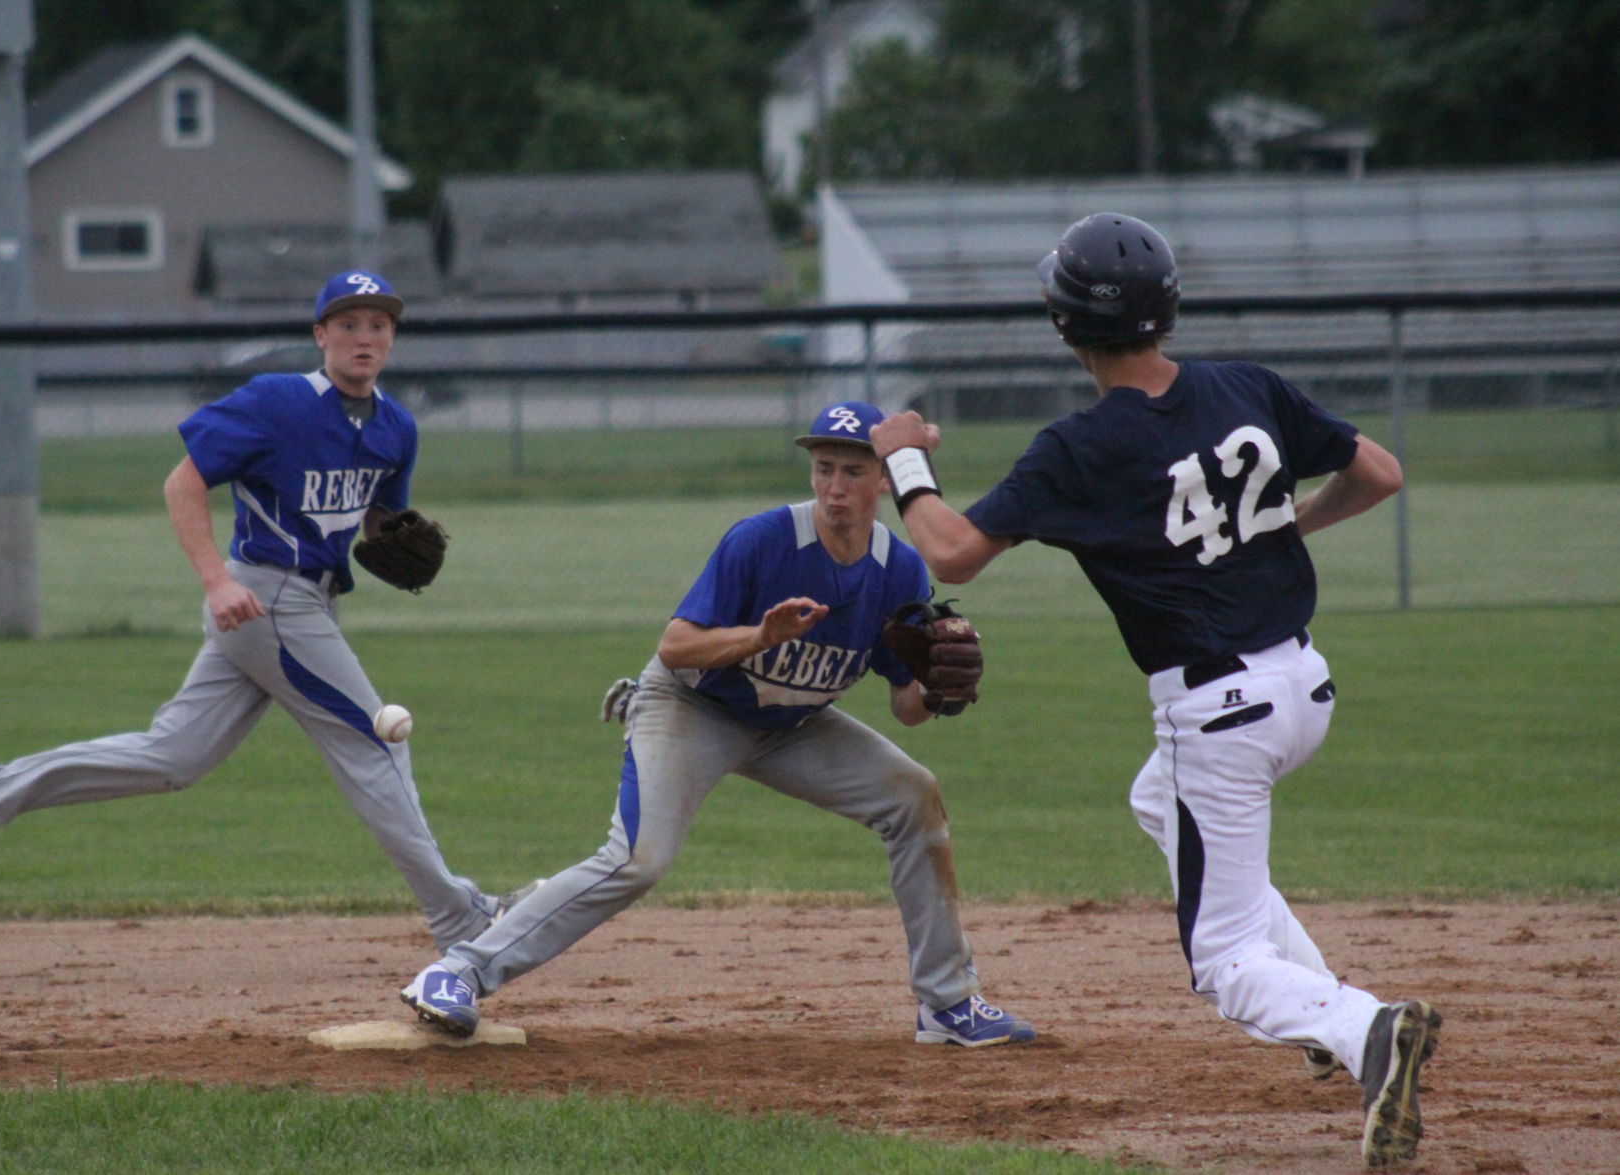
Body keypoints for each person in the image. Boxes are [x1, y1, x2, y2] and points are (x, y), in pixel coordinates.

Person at [868, 213, 1440, 1167]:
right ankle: (1321, 1017)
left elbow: (950, 551)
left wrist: (902, 456)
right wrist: (1285, 527)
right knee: (1155, 801)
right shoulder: (1244, 385)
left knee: (1219, 964)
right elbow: (1377, 473)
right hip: (1302, 683)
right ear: (1165, 309)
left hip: (1216, 714)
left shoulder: (1081, 447)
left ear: (1063, 323)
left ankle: (1362, 1028)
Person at [400, 402, 1035, 1048]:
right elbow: (675, 646)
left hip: (793, 722)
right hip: (691, 707)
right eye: (822, 469)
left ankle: (948, 1002)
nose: (835, 486)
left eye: (851, 470)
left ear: (883, 481)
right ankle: (459, 970)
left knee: (911, 792)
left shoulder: (898, 568)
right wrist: (761, 633)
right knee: (638, 859)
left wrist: (938, 690)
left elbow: (906, 704)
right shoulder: (761, 540)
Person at [0, 270, 530, 955]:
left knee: (174, 755)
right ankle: (460, 915)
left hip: (307, 604)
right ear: (319, 336)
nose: (364, 337)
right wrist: (216, 581)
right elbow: (182, 482)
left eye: (377, 324)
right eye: (348, 324)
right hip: (266, 596)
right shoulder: (276, 402)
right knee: (374, 743)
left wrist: (392, 538)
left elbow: (377, 517)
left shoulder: (396, 427)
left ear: (393, 336)